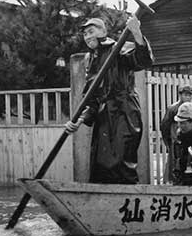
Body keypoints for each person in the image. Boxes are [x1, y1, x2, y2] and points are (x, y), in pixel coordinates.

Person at [64, 15, 154, 184]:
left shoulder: (118, 48)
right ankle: (101, 205)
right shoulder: (91, 59)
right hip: (104, 117)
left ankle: (129, 203)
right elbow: (91, 98)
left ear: (103, 31)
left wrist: (136, 32)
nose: (88, 36)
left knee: (121, 166)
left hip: (124, 113)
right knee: (100, 166)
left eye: (92, 31)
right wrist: (78, 120)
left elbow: (143, 60)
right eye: (85, 34)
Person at [160, 85, 192, 183]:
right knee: (173, 161)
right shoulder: (172, 109)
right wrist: (168, 141)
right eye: (185, 95)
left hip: (187, 140)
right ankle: (171, 181)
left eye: (190, 95)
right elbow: (165, 126)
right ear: (180, 95)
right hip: (175, 140)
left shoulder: (191, 109)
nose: (188, 97)